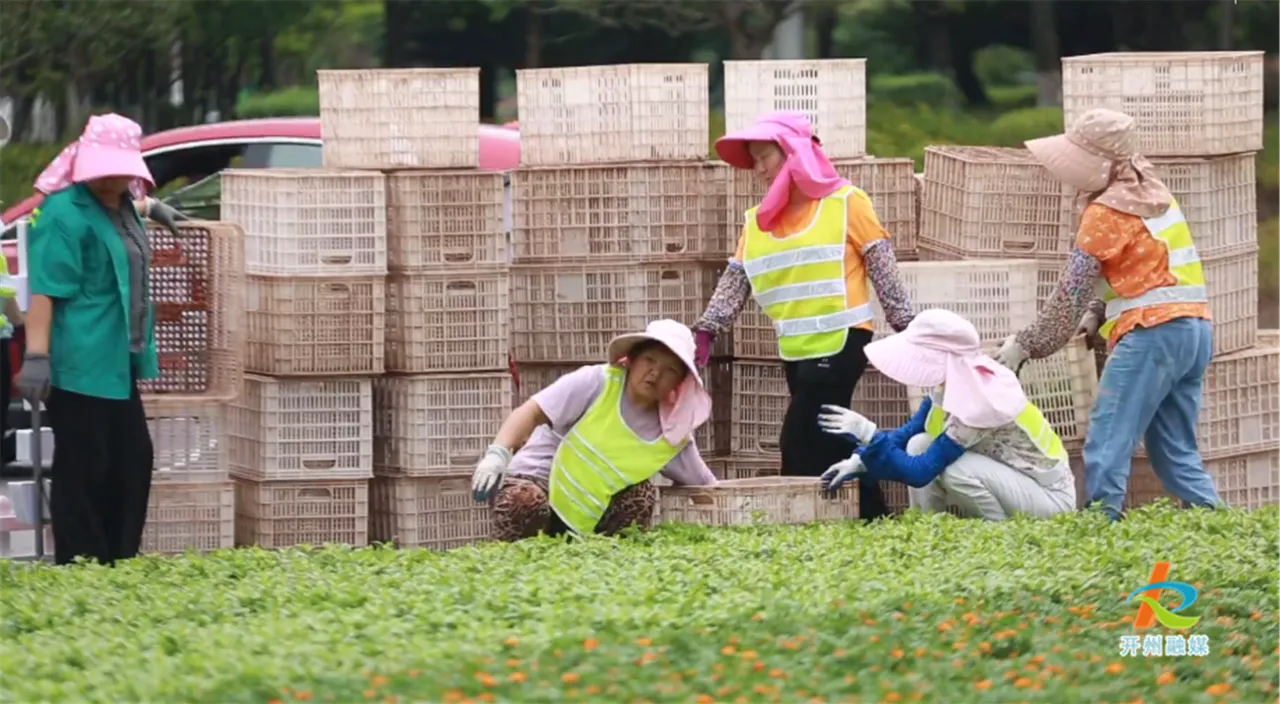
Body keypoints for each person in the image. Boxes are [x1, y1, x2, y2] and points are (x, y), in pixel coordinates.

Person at [992, 108, 1220, 521]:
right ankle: (1222, 528)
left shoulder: (1106, 213)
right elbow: (1148, 266)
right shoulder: (1154, 195)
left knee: (1108, 439)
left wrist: (1025, 346)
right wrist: (1100, 310)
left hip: (1152, 335)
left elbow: (1069, 295)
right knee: (1174, 451)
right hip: (1194, 331)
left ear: (1097, 163)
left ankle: (1102, 533)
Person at [691, 111, 915, 519]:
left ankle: (799, 518)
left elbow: (883, 267)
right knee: (831, 436)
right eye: (754, 160)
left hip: (842, 341)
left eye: (764, 158)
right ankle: (874, 517)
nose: (757, 169)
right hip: (795, 349)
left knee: (799, 439)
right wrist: (707, 331)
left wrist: (908, 328)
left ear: (794, 155)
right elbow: (735, 281)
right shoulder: (757, 222)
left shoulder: (847, 202)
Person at [13, 113, 187, 566]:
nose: (118, 179)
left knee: (131, 460)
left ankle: (119, 559)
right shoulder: (62, 215)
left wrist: (154, 208)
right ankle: (82, 562)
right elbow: (45, 293)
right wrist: (36, 356)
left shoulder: (124, 202)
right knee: (85, 466)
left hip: (119, 359)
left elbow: (126, 215)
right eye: (108, 170)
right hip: (79, 361)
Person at [817, 309, 1076, 521]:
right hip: (1011, 478)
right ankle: (929, 531)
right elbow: (910, 433)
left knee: (956, 470)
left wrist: (869, 434)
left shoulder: (980, 399)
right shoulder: (951, 384)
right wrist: (860, 460)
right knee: (918, 443)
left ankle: (1000, 537)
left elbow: (920, 472)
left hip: (1049, 496)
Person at [472, 319, 718, 541]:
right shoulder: (597, 382)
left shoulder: (673, 430)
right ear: (631, 360)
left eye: (670, 370)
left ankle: (602, 565)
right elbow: (531, 411)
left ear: (679, 382)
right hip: (536, 481)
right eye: (649, 360)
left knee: (640, 494)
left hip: (588, 508)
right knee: (525, 500)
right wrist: (498, 453)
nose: (655, 373)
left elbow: (705, 484)